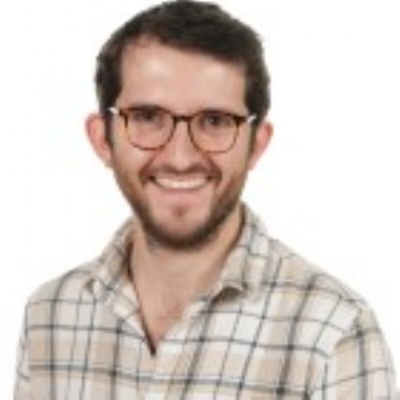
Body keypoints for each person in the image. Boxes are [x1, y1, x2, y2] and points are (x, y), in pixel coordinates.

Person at [14, 1, 397, 398]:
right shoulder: (48, 316)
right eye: (148, 117)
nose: (180, 157)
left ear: (256, 145)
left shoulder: (334, 332)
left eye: (215, 121)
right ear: (102, 139)